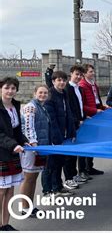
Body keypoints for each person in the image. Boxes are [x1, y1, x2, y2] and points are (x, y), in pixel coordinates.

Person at [44, 71, 76, 196]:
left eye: (63, 80)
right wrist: (56, 138)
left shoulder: (64, 93)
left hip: (64, 134)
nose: (62, 82)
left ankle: (58, 187)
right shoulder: (50, 96)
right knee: (51, 165)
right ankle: (48, 190)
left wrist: (72, 132)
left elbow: (68, 113)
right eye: (59, 80)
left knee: (60, 162)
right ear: (53, 81)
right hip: (54, 137)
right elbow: (52, 120)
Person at [20, 85, 50, 218]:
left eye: (45, 93)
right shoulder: (31, 107)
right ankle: (24, 207)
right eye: (40, 92)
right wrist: (34, 145)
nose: (43, 95)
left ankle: (29, 206)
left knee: (33, 178)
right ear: (34, 93)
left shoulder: (42, 107)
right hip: (31, 148)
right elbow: (28, 127)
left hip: (39, 147)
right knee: (28, 178)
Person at [0, 77, 26, 231]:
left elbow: (16, 130)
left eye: (13, 88)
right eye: (7, 88)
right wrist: (13, 145)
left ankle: (6, 224)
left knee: (10, 189)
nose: (10, 91)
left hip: (14, 152)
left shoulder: (15, 106)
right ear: (1, 89)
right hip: (2, 153)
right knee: (2, 190)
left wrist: (24, 141)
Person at [79, 64, 106, 175]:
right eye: (90, 72)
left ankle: (90, 167)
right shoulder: (82, 86)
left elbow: (97, 101)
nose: (93, 73)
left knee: (93, 143)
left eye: (93, 71)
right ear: (84, 74)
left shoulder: (94, 84)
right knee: (85, 144)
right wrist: (95, 111)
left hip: (96, 116)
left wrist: (103, 107)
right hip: (88, 117)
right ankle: (83, 169)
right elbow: (82, 105)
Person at [64, 65, 89, 187]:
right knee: (70, 153)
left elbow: (80, 106)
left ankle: (75, 175)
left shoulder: (80, 89)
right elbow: (68, 109)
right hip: (71, 124)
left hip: (80, 123)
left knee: (76, 151)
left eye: (80, 75)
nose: (78, 77)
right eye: (76, 74)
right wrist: (76, 121)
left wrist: (84, 117)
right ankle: (68, 178)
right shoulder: (67, 89)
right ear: (71, 74)